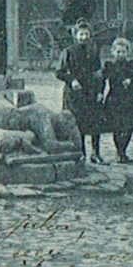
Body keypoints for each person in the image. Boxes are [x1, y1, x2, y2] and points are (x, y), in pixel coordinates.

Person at [55, 19, 104, 162]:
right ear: (75, 35)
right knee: (78, 123)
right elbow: (59, 72)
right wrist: (72, 80)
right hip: (75, 93)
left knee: (95, 123)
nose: (84, 37)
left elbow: (99, 74)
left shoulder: (93, 52)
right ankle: (80, 153)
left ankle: (95, 153)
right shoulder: (68, 52)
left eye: (86, 34)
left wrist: (100, 91)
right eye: (81, 34)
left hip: (91, 91)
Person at [102, 37, 133, 163]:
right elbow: (104, 80)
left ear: (127, 52)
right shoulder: (110, 65)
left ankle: (123, 150)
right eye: (118, 52)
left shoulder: (132, 65)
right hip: (114, 99)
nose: (120, 54)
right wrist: (100, 93)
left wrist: (131, 80)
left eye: (123, 52)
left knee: (128, 127)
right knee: (116, 127)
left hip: (129, 99)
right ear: (113, 52)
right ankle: (119, 152)